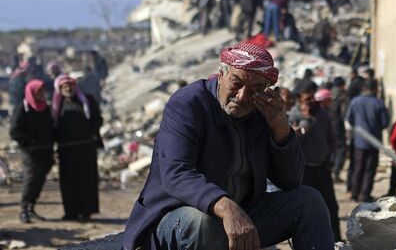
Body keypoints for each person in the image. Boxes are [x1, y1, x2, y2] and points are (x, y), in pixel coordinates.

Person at [123, 42, 333, 250]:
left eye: (254, 89)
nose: (242, 96)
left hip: (238, 214)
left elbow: (291, 180)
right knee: (203, 223)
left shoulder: (262, 113)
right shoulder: (188, 103)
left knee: (309, 202)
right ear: (221, 75)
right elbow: (177, 172)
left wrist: (281, 130)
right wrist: (226, 207)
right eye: (236, 83)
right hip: (176, 218)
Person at [289, 86, 341, 242]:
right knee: (306, 209)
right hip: (304, 171)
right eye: (306, 100)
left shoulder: (323, 114)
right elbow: (294, 143)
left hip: (322, 168)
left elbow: (331, 139)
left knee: (331, 207)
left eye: (312, 98)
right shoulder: (294, 115)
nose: (310, 102)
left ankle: (335, 239)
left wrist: (331, 159)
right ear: (299, 100)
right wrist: (306, 120)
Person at [53, 75, 102, 221]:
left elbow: (98, 119)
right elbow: (54, 126)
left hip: (85, 149)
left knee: (85, 180)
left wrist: (92, 134)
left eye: (70, 85)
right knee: (68, 182)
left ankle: (85, 212)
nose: (68, 88)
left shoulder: (87, 100)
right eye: (64, 86)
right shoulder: (57, 105)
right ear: (59, 89)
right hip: (66, 151)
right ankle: (71, 212)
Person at [9, 79, 54, 223]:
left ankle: (31, 207)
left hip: (45, 152)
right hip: (30, 153)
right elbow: (15, 132)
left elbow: (50, 128)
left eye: (42, 91)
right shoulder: (22, 109)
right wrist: (30, 143)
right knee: (31, 180)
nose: (42, 94)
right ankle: (24, 209)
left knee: (40, 181)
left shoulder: (44, 108)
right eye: (39, 91)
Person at [345, 79, 390, 202]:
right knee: (369, 169)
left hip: (359, 141)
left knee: (357, 167)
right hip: (373, 142)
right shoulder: (379, 103)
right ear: (376, 89)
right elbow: (385, 123)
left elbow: (349, 119)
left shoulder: (355, 101)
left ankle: (354, 193)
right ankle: (364, 195)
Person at [330, 77, 348, 183]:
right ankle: (335, 173)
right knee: (341, 149)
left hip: (328, 125)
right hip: (338, 126)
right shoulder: (342, 95)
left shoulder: (329, 93)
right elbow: (344, 113)